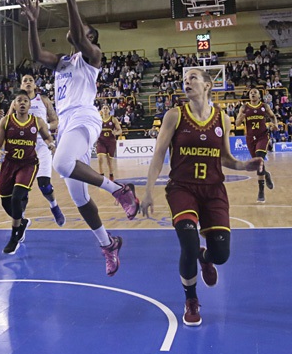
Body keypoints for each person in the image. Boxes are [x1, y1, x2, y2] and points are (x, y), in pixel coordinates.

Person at [19, 0, 139, 277]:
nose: (73, 31)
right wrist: (33, 22)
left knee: (60, 162)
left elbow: (79, 33)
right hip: (68, 126)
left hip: (85, 118)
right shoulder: (62, 62)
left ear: (90, 38)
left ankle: (119, 190)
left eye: (82, 31)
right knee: (79, 198)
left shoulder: (93, 57)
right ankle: (108, 244)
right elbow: (35, 55)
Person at [140, 68, 263, 327]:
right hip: (182, 188)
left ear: (208, 85)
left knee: (221, 255)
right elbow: (159, 154)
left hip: (213, 190)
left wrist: (245, 165)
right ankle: (191, 300)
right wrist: (148, 191)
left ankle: (206, 259)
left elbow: (226, 159)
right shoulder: (174, 115)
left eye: (193, 77)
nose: (187, 82)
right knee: (188, 244)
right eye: (185, 79)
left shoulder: (223, 118)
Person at [0, 91, 56, 255]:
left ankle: (14, 237)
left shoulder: (38, 121)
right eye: (18, 100)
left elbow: (47, 138)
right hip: (9, 164)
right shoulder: (6, 122)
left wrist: (51, 145)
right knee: (6, 203)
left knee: (16, 198)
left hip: (28, 164)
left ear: (29, 105)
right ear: (13, 104)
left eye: (25, 101)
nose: (22, 103)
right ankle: (22, 222)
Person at [20, 74, 65, 226]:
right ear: (21, 85)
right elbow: (8, 123)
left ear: (35, 85)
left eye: (30, 80)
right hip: (23, 147)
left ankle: (54, 207)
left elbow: (55, 121)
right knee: (22, 188)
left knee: (44, 184)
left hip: (42, 145)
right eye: (24, 81)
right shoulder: (15, 103)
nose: (27, 82)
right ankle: (20, 221)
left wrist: (45, 126)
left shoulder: (43, 100)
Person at [233, 89, 277, 203]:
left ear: (259, 95)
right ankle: (266, 174)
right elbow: (237, 124)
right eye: (250, 92)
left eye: (255, 92)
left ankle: (261, 192)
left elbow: (273, 116)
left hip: (262, 136)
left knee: (259, 160)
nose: (252, 93)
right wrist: (240, 119)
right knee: (258, 165)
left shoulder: (264, 106)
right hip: (250, 138)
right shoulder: (244, 108)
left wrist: (275, 124)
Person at [96, 104, 122, 180]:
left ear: (109, 110)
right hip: (101, 141)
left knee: (109, 161)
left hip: (111, 142)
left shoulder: (113, 119)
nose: (105, 109)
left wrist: (116, 133)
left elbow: (120, 130)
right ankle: (101, 177)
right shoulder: (98, 119)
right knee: (100, 158)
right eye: (103, 108)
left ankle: (111, 175)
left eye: (106, 108)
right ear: (101, 110)